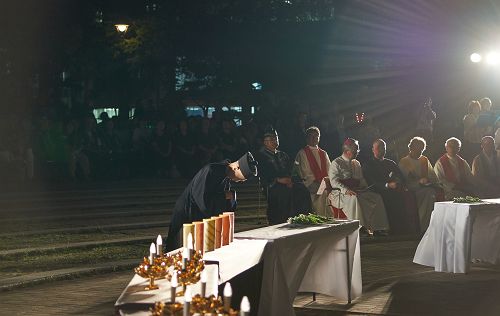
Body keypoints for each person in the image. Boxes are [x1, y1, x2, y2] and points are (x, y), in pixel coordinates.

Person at [165, 152, 258, 251]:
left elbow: (224, 204)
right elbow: (203, 202)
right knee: (180, 250)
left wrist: (230, 197)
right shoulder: (211, 171)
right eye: (241, 179)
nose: (239, 181)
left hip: (197, 216)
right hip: (188, 214)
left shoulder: (225, 176)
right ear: (236, 168)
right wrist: (225, 196)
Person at [328, 138, 389, 234]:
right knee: (354, 198)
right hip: (340, 194)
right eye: (355, 150)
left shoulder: (356, 163)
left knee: (377, 197)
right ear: (347, 151)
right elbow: (334, 181)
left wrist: (366, 187)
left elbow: (361, 180)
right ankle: (359, 228)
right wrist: (346, 190)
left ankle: (378, 228)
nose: (357, 152)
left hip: (357, 191)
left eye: (358, 150)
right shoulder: (336, 163)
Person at [256, 129, 312, 225]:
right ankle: (281, 222)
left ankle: (301, 219)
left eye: (276, 139)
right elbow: (263, 174)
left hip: (288, 182)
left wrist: (291, 180)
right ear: (265, 142)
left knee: (302, 190)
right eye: (272, 139)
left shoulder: (283, 155)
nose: (275, 141)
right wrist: (278, 180)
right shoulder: (261, 156)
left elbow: (292, 170)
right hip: (273, 185)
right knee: (283, 193)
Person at [363, 139, 413, 235]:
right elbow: (371, 182)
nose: (381, 150)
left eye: (383, 148)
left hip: (394, 191)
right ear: (373, 149)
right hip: (378, 192)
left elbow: (400, 177)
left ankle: (400, 229)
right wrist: (387, 185)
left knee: (401, 198)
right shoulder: (368, 165)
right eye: (378, 148)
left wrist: (397, 181)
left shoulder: (391, 163)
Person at [398, 137, 440, 232]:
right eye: (418, 149)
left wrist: (428, 180)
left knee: (431, 192)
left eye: (422, 149)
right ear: (411, 148)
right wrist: (417, 181)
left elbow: (433, 177)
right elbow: (403, 179)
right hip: (411, 188)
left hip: (425, 187)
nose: (420, 152)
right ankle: (422, 225)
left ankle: (429, 224)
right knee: (429, 193)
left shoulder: (424, 160)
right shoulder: (404, 161)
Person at [295, 126, 332, 217]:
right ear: (307, 138)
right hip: (311, 184)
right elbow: (304, 171)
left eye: (317, 136)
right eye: (312, 136)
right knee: (322, 193)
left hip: (324, 183)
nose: (315, 138)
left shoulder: (323, 153)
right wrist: (318, 182)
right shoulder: (302, 153)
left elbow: (330, 169)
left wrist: (327, 181)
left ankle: (331, 220)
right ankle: (320, 218)